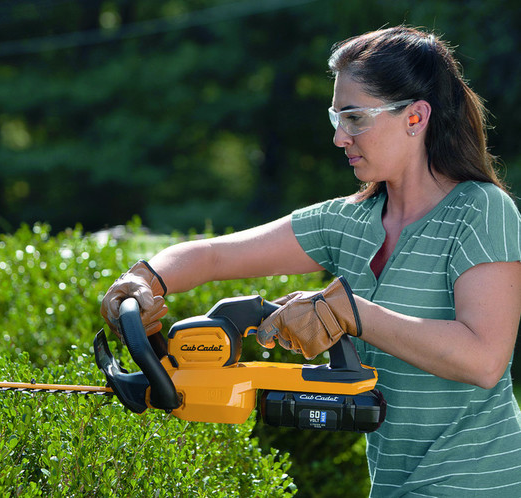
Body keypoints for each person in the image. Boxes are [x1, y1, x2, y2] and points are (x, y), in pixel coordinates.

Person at [101, 26, 521, 497]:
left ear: (415, 118)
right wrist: (142, 279)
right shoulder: (348, 222)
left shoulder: (481, 210)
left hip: (486, 484)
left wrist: (351, 313)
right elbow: (214, 254)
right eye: (336, 118)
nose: (341, 138)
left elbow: (485, 359)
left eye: (356, 118)